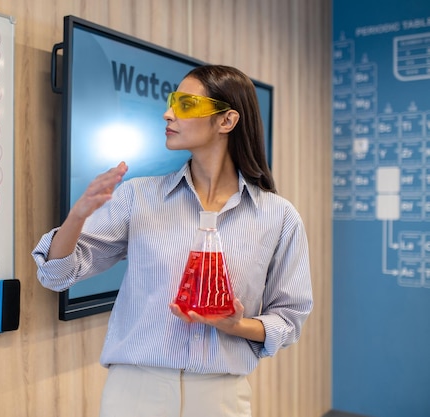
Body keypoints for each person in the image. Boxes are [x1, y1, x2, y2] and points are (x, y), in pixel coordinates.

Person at [31, 64, 313, 417]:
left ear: (227, 121)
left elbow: (289, 319)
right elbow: (56, 275)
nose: (168, 113)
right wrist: (78, 215)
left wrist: (235, 325)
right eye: (171, 102)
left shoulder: (278, 217)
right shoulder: (139, 196)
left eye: (186, 104)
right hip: (133, 393)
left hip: (220, 397)